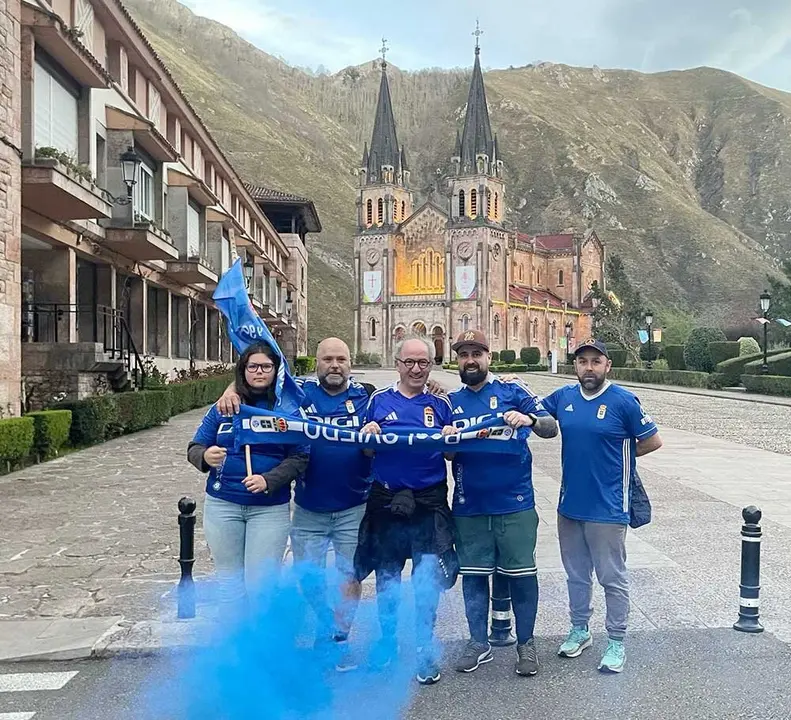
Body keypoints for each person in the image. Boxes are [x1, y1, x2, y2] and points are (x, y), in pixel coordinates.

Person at [540, 339, 663, 673]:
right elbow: (532, 409)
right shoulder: (563, 397)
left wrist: (619, 459)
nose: (589, 368)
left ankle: (616, 642)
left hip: (608, 506)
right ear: (575, 365)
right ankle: (580, 630)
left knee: (612, 577)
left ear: (607, 365)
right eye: (582, 362)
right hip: (570, 505)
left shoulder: (623, 400)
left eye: (596, 361)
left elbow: (653, 439)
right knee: (577, 575)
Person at [447, 329, 559, 677]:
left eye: (476, 354)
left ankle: (526, 644)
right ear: (458, 361)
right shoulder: (451, 402)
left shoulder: (513, 390)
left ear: (488, 358)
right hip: (470, 505)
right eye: (464, 354)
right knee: (475, 577)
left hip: (516, 504)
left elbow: (551, 427)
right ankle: (478, 642)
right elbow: (447, 452)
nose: (470, 360)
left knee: (523, 575)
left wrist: (528, 419)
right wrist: (447, 440)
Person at [356, 335, 458, 686]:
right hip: (387, 501)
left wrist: (449, 436)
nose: (416, 369)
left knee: (426, 579)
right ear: (397, 362)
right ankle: (386, 642)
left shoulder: (441, 404)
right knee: (386, 576)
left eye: (423, 363)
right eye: (409, 362)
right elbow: (368, 454)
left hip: (428, 502)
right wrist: (368, 433)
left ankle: (424, 647)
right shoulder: (378, 401)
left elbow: (449, 456)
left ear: (432, 365)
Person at [187, 341, 309, 611]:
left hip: (268, 509)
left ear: (276, 370)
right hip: (223, 506)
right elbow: (195, 447)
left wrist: (270, 480)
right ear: (243, 370)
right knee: (229, 584)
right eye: (252, 366)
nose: (259, 372)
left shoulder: (287, 411)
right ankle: (235, 646)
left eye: (266, 366)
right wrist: (205, 457)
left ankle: (262, 645)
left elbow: (300, 457)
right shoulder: (224, 407)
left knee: (261, 586)